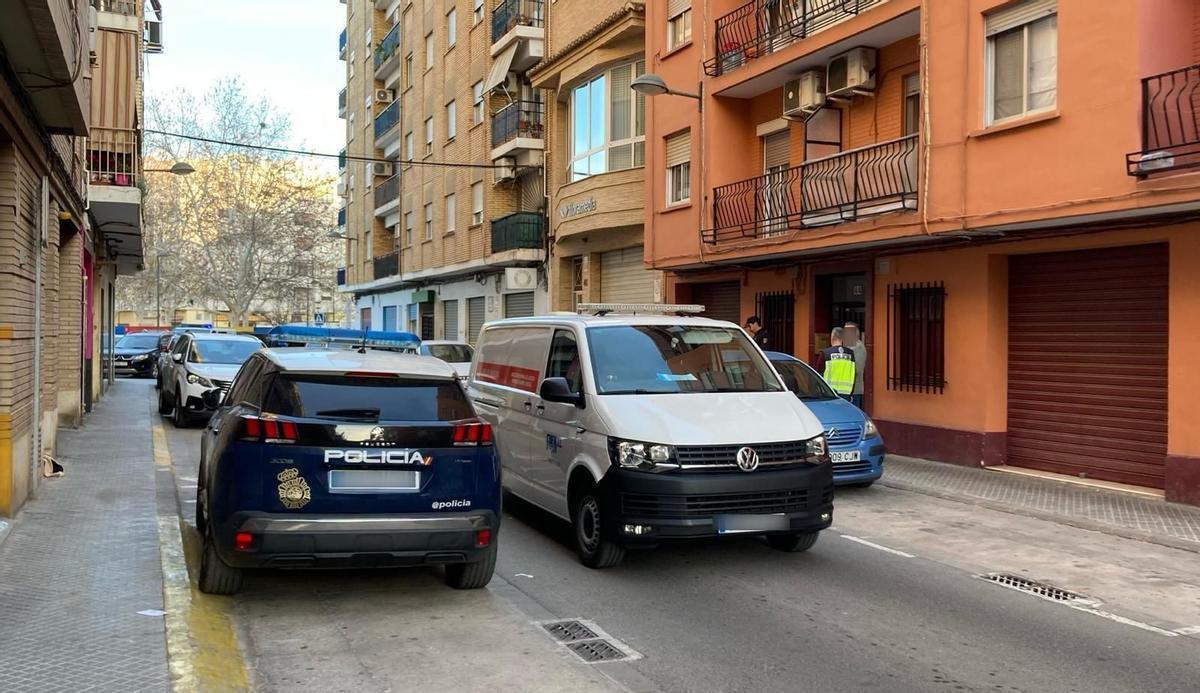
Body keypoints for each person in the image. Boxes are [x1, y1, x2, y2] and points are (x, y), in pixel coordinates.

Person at [814, 327, 856, 400]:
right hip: (846, 394)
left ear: (832, 338)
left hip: (829, 393)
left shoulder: (826, 353)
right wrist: (851, 393)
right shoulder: (851, 353)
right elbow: (854, 374)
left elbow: (818, 375)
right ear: (843, 339)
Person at [843, 321, 866, 409]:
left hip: (854, 389)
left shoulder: (858, 347)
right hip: (845, 389)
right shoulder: (847, 346)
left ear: (856, 333)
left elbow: (857, 369)